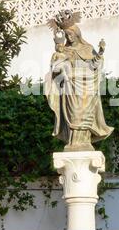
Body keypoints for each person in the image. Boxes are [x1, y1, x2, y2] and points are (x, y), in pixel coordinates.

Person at [45, 11, 113, 152]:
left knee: (84, 114)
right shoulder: (65, 50)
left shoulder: (87, 49)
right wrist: (58, 45)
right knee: (73, 114)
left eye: (71, 34)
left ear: (77, 34)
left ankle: (84, 141)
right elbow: (56, 65)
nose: (69, 37)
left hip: (86, 88)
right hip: (70, 87)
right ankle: (73, 141)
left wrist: (100, 53)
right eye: (67, 35)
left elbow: (94, 66)